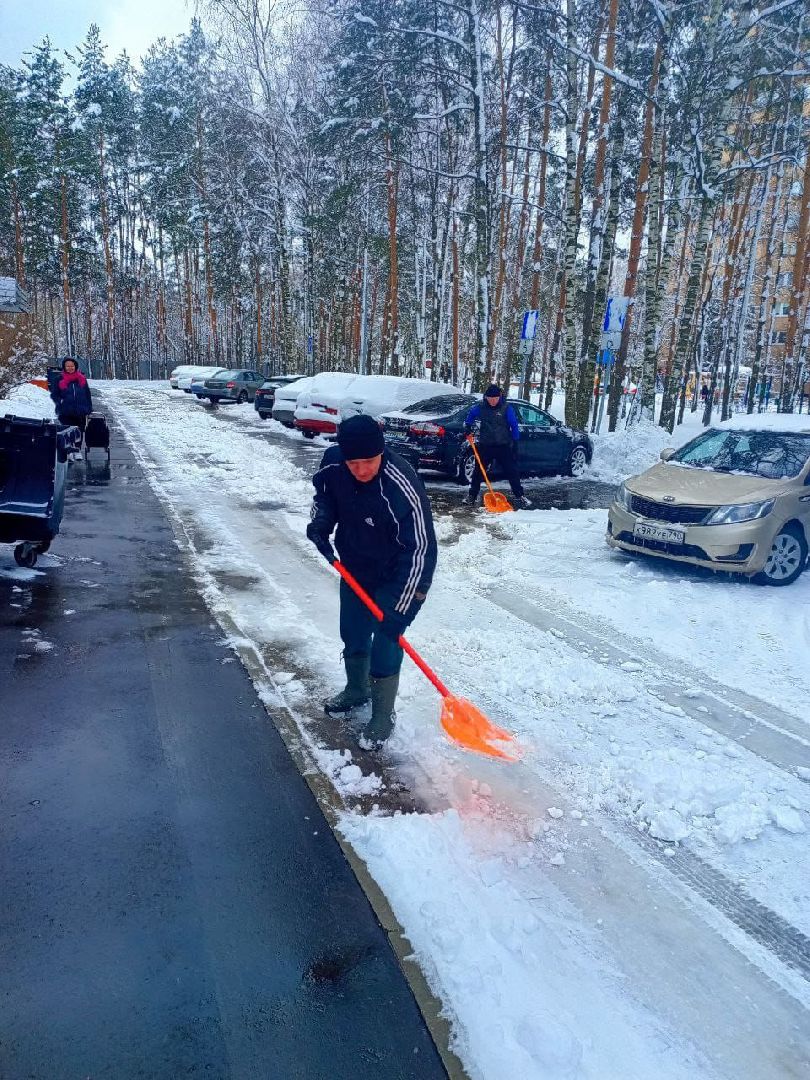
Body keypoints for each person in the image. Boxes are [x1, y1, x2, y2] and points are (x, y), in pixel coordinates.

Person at [306, 413, 437, 750]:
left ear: (382, 452)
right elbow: (325, 497)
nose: (361, 469)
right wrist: (321, 521)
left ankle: (382, 714)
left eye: (369, 461)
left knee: (386, 640)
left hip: (396, 574)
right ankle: (357, 688)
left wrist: (402, 609)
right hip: (355, 566)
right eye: (354, 462)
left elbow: (421, 550)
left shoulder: (400, 484)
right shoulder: (334, 465)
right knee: (352, 631)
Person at [463, 384, 530, 508]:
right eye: (490, 398)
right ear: (486, 397)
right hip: (485, 445)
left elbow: (514, 425)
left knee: (512, 471)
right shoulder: (481, 408)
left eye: (495, 398)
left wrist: (515, 443)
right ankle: (471, 496)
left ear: (499, 397)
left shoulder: (506, 408)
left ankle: (520, 495)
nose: (493, 401)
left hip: (503, 445)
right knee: (478, 472)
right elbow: (471, 416)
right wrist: (468, 427)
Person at [51, 358, 93, 457]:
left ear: (75, 367)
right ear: (64, 367)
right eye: (68, 366)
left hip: (81, 410)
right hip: (66, 410)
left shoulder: (81, 378)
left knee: (79, 430)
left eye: (72, 366)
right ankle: (68, 451)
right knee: (67, 431)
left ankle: (77, 450)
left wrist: (89, 407)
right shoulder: (59, 379)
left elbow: (87, 393)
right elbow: (54, 394)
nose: (70, 368)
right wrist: (60, 402)